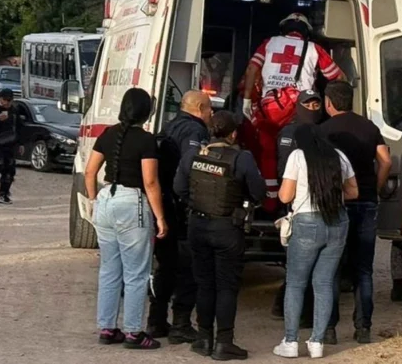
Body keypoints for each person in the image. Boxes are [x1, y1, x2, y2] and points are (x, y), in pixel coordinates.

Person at [173, 110, 266, 360]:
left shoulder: (193, 155)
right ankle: (224, 343)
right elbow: (258, 192)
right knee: (226, 286)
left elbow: (179, 188)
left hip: (198, 225)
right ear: (233, 134)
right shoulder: (242, 158)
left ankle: (204, 339)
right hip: (227, 228)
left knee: (204, 284)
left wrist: (195, 203)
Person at [85, 88, 167, 349]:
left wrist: (93, 200)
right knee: (136, 273)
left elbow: (90, 172)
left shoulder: (108, 134)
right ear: (146, 112)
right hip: (132, 203)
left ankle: (107, 328)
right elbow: (150, 181)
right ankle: (134, 332)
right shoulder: (146, 140)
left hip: (105, 200)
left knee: (109, 270)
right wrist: (160, 217)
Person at [272, 124, 358, 359]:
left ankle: (291, 341)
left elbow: (285, 196)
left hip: (307, 222)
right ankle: (317, 341)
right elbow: (353, 192)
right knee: (324, 283)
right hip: (337, 221)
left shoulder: (298, 156)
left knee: (296, 284)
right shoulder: (339, 156)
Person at [320, 80, 392, 344]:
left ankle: (329, 329)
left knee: (332, 267)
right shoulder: (369, 127)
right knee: (363, 269)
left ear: (328, 102)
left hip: (336, 204)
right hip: (366, 202)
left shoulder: (324, 130)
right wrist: (376, 187)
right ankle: (363, 328)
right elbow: (386, 161)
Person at [148, 91, 212, 342]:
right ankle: (181, 323)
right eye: (209, 108)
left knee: (165, 266)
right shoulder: (195, 131)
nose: (211, 114)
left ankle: (156, 320)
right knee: (188, 267)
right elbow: (192, 168)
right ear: (199, 108)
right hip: (181, 209)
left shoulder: (169, 126)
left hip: (163, 205)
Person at [271, 89, 324, 320]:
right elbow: (284, 171)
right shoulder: (289, 132)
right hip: (296, 204)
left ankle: (301, 310)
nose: (312, 109)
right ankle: (288, 308)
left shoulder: (323, 130)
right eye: (307, 105)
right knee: (298, 262)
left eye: (315, 105)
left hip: (320, 203)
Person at [240, 13, 347, 119]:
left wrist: (247, 99)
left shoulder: (269, 43)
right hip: (301, 109)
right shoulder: (314, 48)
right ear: (307, 32)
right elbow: (339, 77)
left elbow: (251, 69)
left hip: (270, 107)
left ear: (283, 29)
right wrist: (334, 107)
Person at [0, 88, 18, 204]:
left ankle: (3, 194)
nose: (7, 102)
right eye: (5, 100)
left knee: (9, 171)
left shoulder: (14, 111)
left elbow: (19, 127)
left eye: (9, 100)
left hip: (10, 145)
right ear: (0, 98)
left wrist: (20, 143)